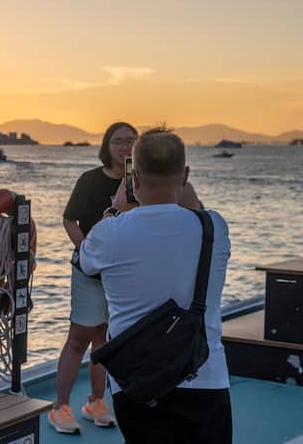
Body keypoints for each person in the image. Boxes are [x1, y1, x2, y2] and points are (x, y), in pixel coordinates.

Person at [79, 128, 232, 443]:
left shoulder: (107, 234)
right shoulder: (213, 227)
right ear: (185, 174)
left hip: (136, 382)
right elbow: (195, 210)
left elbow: (86, 263)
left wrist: (115, 210)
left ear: (132, 178)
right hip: (204, 375)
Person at [50, 121, 137, 433]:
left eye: (131, 141)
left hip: (122, 273)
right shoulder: (90, 180)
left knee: (104, 340)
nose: (125, 147)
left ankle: (96, 401)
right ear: (106, 146)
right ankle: (59, 406)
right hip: (89, 272)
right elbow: (69, 219)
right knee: (79, 338)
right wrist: (88, 251)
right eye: (118, 142)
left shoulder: (139, 184)